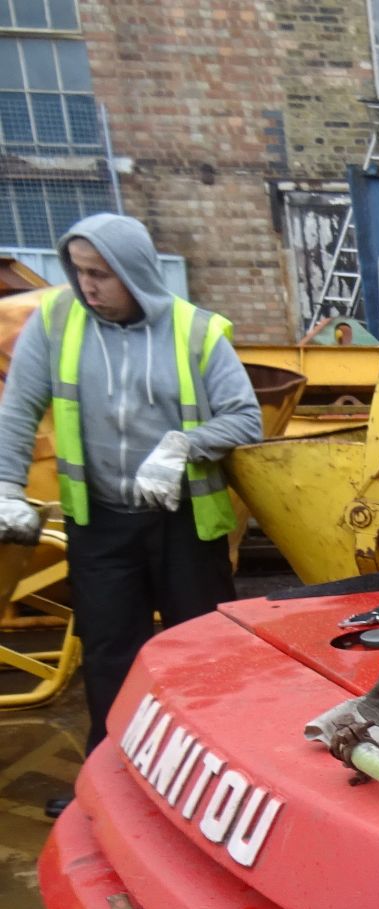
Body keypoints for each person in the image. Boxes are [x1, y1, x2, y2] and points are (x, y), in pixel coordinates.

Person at [0, 215, 262, 814]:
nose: (86, 286)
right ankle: (109, 786)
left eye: (100, 274)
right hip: (102, 523)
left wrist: (179, 447)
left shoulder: (196, 334)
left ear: (134, 272)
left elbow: (244, 419)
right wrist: (6, 487)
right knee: (110, 652)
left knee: (202, 657)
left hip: (184, 523)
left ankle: (209, 790)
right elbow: (19, 411)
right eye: (79, 272)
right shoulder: (56, 325)